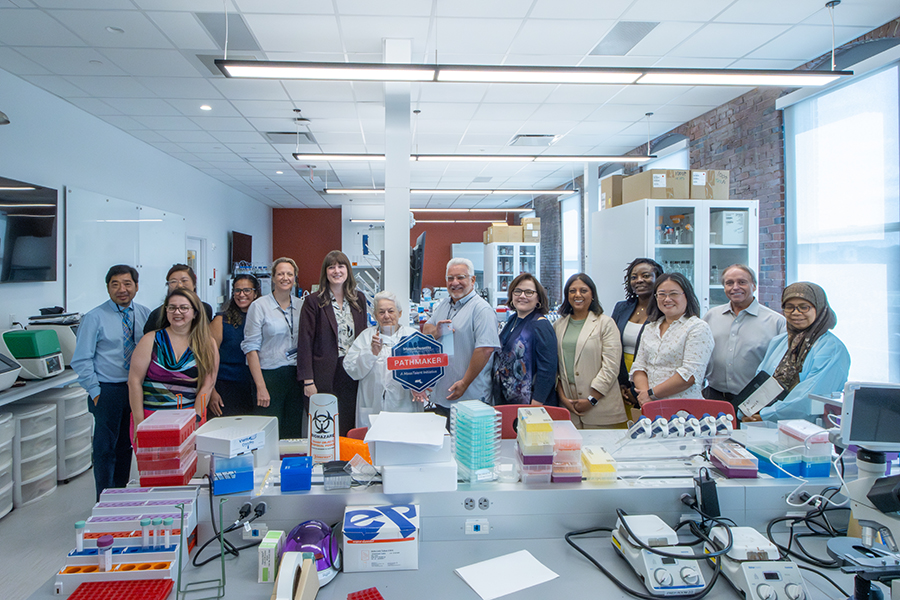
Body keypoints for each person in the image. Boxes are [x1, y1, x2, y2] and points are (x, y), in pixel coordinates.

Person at [71, 265, 151, 499]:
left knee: (127, 445)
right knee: (105, 448)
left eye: (127, 284)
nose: (122, 289)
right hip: (107, 389)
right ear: (107, 288)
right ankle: (103, 498)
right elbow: (81, 359)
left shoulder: (145, 314)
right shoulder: (94, 317)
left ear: (136, 286)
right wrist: (95, 392)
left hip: (136, 389)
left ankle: (120, 494)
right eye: (115, 284)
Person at [747, 282, 850, 423]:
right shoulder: (780, 342)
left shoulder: (831, 349)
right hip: (765, 422)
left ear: (819, 308)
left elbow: (810, 396)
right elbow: (762, 382)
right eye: (789, 307)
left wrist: (766, 415)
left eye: (804, 307)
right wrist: (748, 411)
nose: (796, 313)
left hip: (808, 429)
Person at [297, 251, 367, 437]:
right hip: (323, 373)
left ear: (347, 270)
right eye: (331, 267)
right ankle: (325, 463)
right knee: (324, 425)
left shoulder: (358, 299)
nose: (337, 271)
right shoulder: (314, 301)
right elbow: (304, 342)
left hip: (352, 370)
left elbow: (363, 337)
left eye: (341, 266)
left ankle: (345, 461)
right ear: (325, 272)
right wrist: (308, 380)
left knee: (348, 422)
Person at [128, 288, 218, 431]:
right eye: (172, 308)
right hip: (149, 418)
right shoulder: (150, 340)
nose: (177, 312)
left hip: (189, 417)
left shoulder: (207, 343)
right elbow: (134, 382)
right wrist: (139, 422)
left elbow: (208, 385)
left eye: (184, 308)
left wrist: (196, 418)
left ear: (195, 313)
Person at [422, 258, 500, 419]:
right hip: (443, 397)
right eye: (450, 278)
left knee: (468, 444)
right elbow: (426, 330)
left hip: (471, 399)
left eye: (460, 277)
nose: (455, 282)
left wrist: (464, 382)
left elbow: (485, 350)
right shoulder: (444, 305)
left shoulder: (481, 309)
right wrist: (437, 331)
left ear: (472, 280)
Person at [702, 264, 786, 408]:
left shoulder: (776, 322)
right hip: (714, 397)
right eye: (729, 283)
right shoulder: (711, 316)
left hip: (755, 401)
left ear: (754, 286)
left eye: (742, 282)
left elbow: (781, 369)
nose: (735, 287)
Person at [242, 258, 304, 438]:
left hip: (294, 376)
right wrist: (260, 386)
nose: (285, 277)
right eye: (280, 273)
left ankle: (289, 466)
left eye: (289, 274)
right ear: (273, 278)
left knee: (293, 432)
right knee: (268, 432)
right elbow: (250, 348)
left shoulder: (301, 306)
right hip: (268, 376)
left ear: (295, 278)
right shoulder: (259, 306)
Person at [554, 273, 627, 429]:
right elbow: (556, 367)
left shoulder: (605, 323)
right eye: (572, 291)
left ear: (592, 294)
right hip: (568, 407)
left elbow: (611, 367)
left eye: (583, 290)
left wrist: (592, 399)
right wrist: (563, 398)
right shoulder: (558, 325)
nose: (577, 295)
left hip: (601, 407)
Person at [631, 273, 714, 405]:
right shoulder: (650, 328)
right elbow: (639, 367)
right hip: (650, 406)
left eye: (674, 294)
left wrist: (651, 394)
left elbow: (689, 375)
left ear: (686, 295)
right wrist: (644, 395)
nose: (667, 299)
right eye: (662, 294)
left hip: (683, 409)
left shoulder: (697, 328)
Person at [344, 290, 423, 428]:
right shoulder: (366, 337)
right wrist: (370, 353)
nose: (386, 316)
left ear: (399, 313)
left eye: (391, 311)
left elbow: (427, 369)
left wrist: (420, 385)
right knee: (374, 446)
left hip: (405, 407)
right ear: (375, 315)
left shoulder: (413, 337)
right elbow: (351, 370)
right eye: (381, 312)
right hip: (373, 407)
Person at [492, 273, 558, 406]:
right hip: (507, 399)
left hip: (531, 403)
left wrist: (536, 404)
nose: (522, 296)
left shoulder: (541, 325)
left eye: (529, 292)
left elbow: (547, 370)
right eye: (518, 291)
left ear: (538, 298)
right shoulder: (512, 320)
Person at [611, 259, 664, 408]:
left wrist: (638, 393)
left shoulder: (663, 311)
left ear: (657, 278)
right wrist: (621, 384)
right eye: (634, 277)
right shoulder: (621, 308)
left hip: (650, 383)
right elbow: (612, 345)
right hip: (621, 378)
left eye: (646, 275)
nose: (639, 280)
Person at [208, 274, 260, 418]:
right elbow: (206, 358)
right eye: (237, 290)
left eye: (247, 290)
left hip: (254, 386)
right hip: (225, 387)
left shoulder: (263, 319)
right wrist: (211, 392)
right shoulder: (221, 320)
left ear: (255, 293)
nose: (241, 294)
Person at [143, 264, 213, 334]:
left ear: (194, 284)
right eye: (173, 281)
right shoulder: (157, 315)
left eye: (184, 280)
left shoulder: (205, 309)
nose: (179, 285)